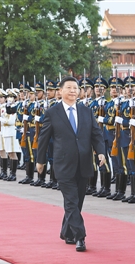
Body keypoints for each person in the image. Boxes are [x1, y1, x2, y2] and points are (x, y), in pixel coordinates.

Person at [36, 76, 106, 252]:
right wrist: (40, 160)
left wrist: (101, 152)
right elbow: (43, 138)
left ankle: (67, 231)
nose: (73, 91)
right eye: (69, 88)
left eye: (75, 88)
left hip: (83, 163)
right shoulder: (53, 112)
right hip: (63, 164)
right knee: (71, 200)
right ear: (61, 91)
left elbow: (96, 134)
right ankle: (80, 236)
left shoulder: (86, 111)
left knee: (78, 201)